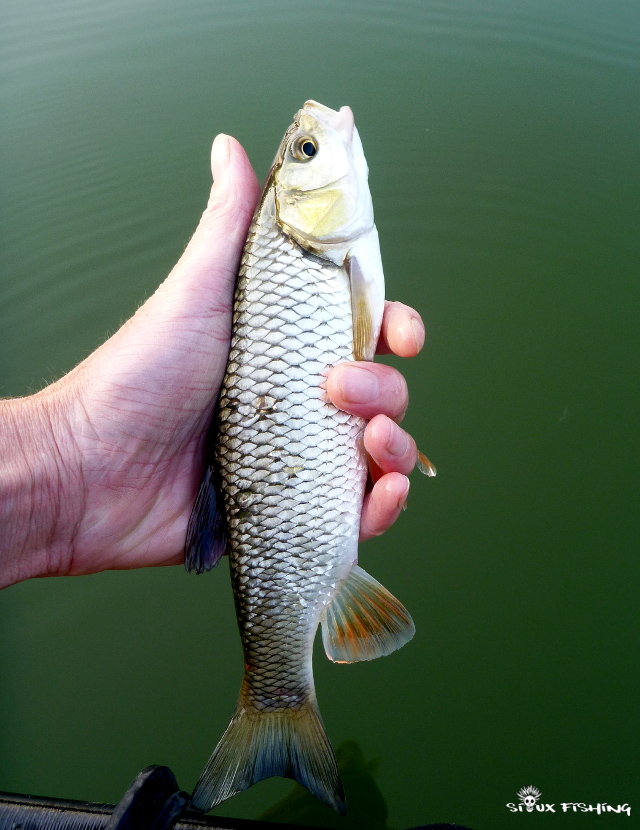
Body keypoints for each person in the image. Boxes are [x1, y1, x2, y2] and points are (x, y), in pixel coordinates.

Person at [0, 135, 425, 591]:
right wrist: (63, 461)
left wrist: (66, 464)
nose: (320, 144)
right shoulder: (315, 248)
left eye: (306, 149)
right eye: (307, 149)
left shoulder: (311, 248)